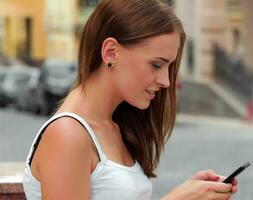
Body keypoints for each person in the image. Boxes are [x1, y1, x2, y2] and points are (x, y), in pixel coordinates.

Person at [23, 0, 238, 199]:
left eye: (169, 67)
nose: (166, 81)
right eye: (156, 65)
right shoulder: (68, 135)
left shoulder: (115, 126)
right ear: (110, 52)